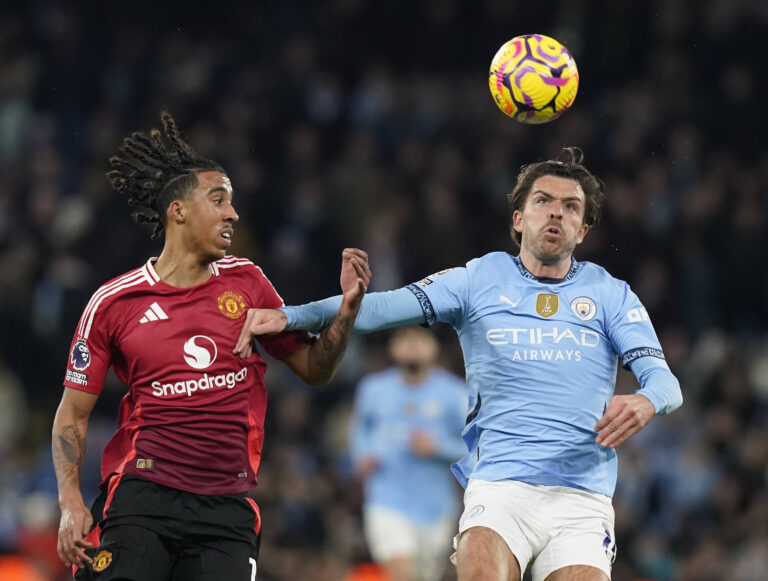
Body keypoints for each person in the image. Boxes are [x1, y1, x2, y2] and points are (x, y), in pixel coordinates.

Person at [234, 148, 684, 581]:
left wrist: (646, 401)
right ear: (518, 219)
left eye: (571, 207)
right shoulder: (479, 279)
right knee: (480, 563)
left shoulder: (610, 294)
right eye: (543, 201)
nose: (556, 213)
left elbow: (665, 382)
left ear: (582, 230)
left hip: (582, 495)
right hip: (500, 487)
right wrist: (293, 315)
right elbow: (379, 308)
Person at [52, 111, 371, 581]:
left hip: (226, 508)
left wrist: (346, 313)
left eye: (232, 201)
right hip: (143, 496)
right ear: (177, 211)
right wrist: (70, 503)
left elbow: (314, 369)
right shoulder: (115, 303)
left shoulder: (248, 283)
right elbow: (73, 412)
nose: (232, 213)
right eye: (218, 199)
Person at [350, 326, 466, 581]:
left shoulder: (454, 393)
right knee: (401, 572)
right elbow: (360, 429)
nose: (412, 345)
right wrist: (361, 455)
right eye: (404, 339)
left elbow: (474, 446)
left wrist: (439, 447)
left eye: (419, 339)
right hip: (386, 499)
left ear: (434, 347)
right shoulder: (374, 388)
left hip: (436, 506)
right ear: (393, 347)